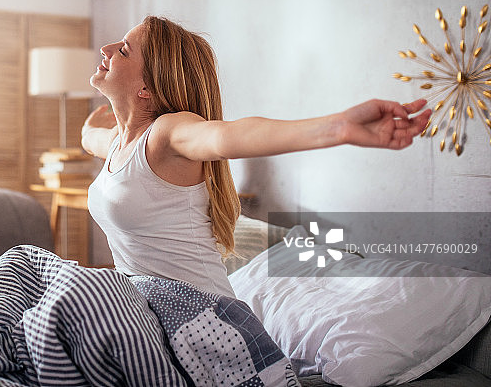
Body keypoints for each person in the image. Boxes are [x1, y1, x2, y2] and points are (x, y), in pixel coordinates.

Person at [81, 15, 431, 297]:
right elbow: (88, 137)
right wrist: (100, 120)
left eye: (124, 51)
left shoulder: (167, 134)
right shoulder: (118, 143)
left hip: (203, 323)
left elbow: (227, 136)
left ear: (146, 88)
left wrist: (340, 127)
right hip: (147, 314)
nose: (106, 48)